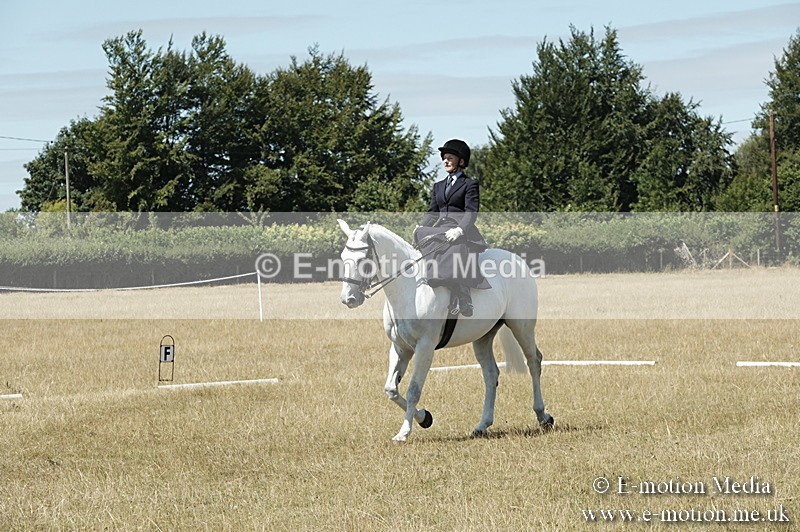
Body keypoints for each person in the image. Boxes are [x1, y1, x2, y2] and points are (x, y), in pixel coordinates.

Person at [415, 139, 489, 317]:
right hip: (441, 228)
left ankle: (463, 296)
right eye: (444, 158)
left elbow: (471, 211)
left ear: (461, 162)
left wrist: (460, 230)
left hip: (461, 229)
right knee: (422, 236)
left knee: (456, 246)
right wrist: (421, 226)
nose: (446, 161)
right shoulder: (438, 186)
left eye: (450, 158)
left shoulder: (469, 184)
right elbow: (433, 212)